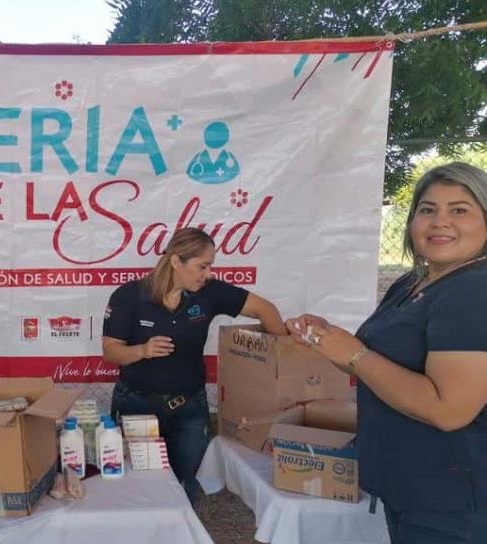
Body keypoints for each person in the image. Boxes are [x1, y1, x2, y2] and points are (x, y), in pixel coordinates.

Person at [287, 162, 487, 544]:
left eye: (459, 210)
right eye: (427, 209)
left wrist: (354, 356)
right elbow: (375, 362)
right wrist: (328, 340)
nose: (439, 221)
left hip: (453, 507)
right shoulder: (414, 282)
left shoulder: (474, 292)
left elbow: (449, 410)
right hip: (412, 494)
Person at [102, 227, 286, 499]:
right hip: (136, 405)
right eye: (202, 266)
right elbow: (110, 351)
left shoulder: (210, 292)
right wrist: (142, 350)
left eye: (210, 266)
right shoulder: (128, 295)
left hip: (189, 409)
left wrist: (285, 361)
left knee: (187, 486)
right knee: (138, 488)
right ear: (176, 261)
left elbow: (265, 309)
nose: (208, 274)